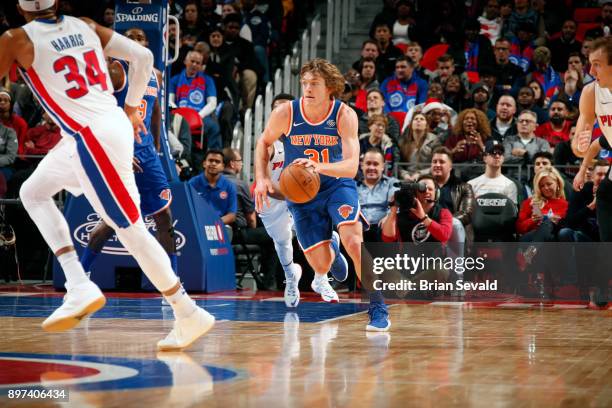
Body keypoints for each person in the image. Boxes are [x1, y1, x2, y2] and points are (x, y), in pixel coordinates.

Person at [0, 0, 214, 350]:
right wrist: (131, 109)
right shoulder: (85, 25)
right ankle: (77, 283)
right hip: (99, 127)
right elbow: (144, 59)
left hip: (91, 135)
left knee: (129, 229)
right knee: (33, 192)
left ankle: (187, 311)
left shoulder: (15, 39)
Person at [254, 58, 390, 331]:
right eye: (304, 83)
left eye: (314, 83)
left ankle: (378, 306)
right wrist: (262, 178)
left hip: (336, 186)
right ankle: (333, 250)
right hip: (302, 194)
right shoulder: (286, 113)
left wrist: (319, 167)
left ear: (330, 87)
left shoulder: (344, 115)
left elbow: (351, 168)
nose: (307, 88)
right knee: (323, 265)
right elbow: (264, 142)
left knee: (355, 242)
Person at [79, 27, 179, 291]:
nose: (136, 42)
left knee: (164, 218)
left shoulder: (155, 74)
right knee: (112, 222)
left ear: (146, 44)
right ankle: (79, 279)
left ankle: (171, 283)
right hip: (119, 153)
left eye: (140, 38)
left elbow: (156, 114)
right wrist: (117, 150)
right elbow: (96, 112)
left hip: (147, 157)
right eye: (130, 39)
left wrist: (156, 149)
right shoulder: (115, 71)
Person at [256, 93, 306, 307]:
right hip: (275, 201)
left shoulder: (307, 139)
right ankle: (291, 277)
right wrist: (292, 195)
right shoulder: (267, 143)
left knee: (310, 233)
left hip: (299, 198)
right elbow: (266, 183)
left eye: (285, 108)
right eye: (276, 108)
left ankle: (321, 275)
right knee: (283, 242)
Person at [169, 50, 222, 150]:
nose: (194, 65)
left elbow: (212, 103)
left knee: (214, 128)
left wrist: (198, 116)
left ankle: (214, 155)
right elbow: (170, 101)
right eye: (192, 61)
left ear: (201, 66)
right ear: (185, 61)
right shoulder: (174, 79)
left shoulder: (208, 80)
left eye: (198, 63)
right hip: (179, 115)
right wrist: (180, 113)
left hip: (200, 115)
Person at [380, 174, 453, 244]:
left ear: (437, 193)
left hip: (434, 256)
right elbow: (387, 239)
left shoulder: (443, 213)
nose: (426, 191)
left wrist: (423, 217)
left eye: (430, 189)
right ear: (415, 192)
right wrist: (393, 210)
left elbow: (444, 236)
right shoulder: (404, 212)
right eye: (421, 188)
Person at [358, 147, 399, 242]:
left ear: (383, 166)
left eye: (376, 164)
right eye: (368, 163)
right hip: (359, 230)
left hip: (381, 229)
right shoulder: (353, 186)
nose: (371, 168)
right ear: (361, 165)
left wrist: (388, 216)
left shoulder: (391, 183)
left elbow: (396, 202)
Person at [188, 149, 237, 226]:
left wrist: (214, 223)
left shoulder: (229, 186)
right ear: (204, 163)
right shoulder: (193, 183)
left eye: (217, 162)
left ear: (223, 166)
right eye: (210, 160)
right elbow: (187, 208)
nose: (213, 164)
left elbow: (231, 215)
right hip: (198, 224)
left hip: (220, 225)